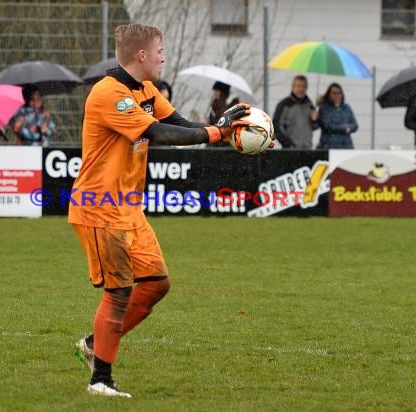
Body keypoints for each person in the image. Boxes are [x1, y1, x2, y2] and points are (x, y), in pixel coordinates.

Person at [69, 23, 266, 399]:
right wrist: (216, 132)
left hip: (128, 209)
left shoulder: (146, 90)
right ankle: (100, 380)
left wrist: (227, 129)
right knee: (119, 291)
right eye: (159, 50)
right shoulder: (109, 94)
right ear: (141, 55)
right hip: (99, 208)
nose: (163, 56)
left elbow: (180, 125)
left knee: (157, 284)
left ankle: (96, 343)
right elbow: (158, 135)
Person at [272, 75, 319, 149]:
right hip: (290, 150)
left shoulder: (310, 105)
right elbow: (276, 127)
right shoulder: (284, 104)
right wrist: (288, 144)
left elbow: (315, 127)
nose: (301, 89)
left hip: (307, 149)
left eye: (304, 86)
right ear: (293, 87)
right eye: (298, 86)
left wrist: (315, 120)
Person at [316, 82, 358, 149]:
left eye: (339, 93)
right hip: (330, 145)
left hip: (346, 146)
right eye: (334, 93)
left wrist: (350, 127)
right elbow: (327, 126)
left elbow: (355, 125)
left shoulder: (347, 108)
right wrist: (344, 128)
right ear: (329, 94)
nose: (337, 95)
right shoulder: (324, 109)